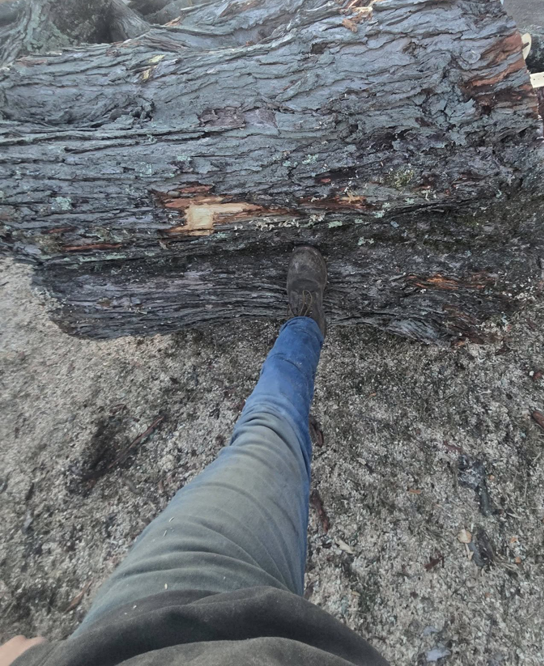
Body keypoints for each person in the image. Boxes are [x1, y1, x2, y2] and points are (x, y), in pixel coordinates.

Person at [2, 247, 388, 666]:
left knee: (268, 426)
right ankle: (305, 325)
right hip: (224, 623)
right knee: (272, 424)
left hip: (127, 628)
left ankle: (303, 326)